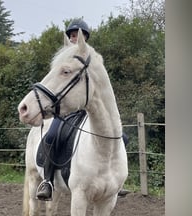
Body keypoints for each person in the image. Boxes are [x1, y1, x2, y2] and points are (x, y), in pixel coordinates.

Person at [36, 19, 129, 200]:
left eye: (78, 35)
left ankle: (117, 180)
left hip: (86, 110)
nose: (74, 38)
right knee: (52, 135)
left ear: (84, 38)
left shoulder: (90, 59)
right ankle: (48, 181)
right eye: (71, 35)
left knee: (122, 137)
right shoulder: (63, 60)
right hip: (65, 110)